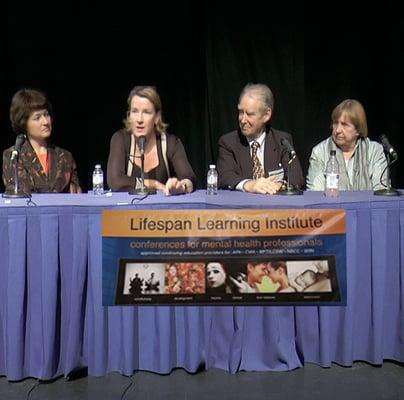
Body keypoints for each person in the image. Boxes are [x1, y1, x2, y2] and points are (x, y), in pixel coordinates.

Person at [216, 83, 304, 194]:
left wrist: (279, 185)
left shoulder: (283, 141)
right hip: (242, 208)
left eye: (249, 114)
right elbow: (225, 176)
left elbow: (297, 179)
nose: (243, 120)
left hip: (275, 207)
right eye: (240, 112)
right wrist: (250, 184)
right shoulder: (228, 142)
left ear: (266, 115)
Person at [107, 85, 196, 194]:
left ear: (157, 117)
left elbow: (189, 178)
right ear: (129, 116)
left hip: (161, 210)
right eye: (134, 111)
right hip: (127, 209)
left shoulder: (171, 143)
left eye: (146, 112)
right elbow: (115, 181)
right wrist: (154, 184)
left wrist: (181, 186)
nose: (139, 119)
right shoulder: (120, 139)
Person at [2, 88, 81, 193]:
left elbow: (75, 196)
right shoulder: (14, 156)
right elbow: (20, 193)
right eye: (37, 118)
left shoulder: (65, 157)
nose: (45, 122)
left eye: (46, 115)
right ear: (24, 123)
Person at [306, 99, 388, 191]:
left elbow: (381, 191)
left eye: (344, 125)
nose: (337, 130)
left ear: (358, 130)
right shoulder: (320, 152)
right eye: (336, 123)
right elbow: (316, 193)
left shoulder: (374, 151)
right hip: (333, 205)